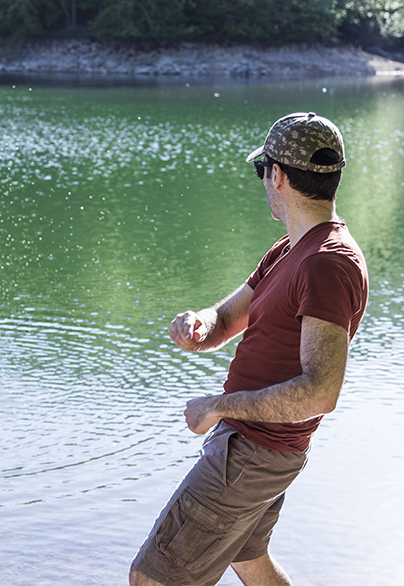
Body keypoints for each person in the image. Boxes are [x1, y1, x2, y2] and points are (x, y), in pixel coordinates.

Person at [129, 112, 369, 586]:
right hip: (256, 449)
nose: (263, 181)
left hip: (253, 451)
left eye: (262, 171)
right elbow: (226, 321)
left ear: (276, 174)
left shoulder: (327, 264)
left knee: (153, 578)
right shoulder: (290, 250)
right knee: (249, 562)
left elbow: (320, 392)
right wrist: (199, 324)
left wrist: (218, 407)